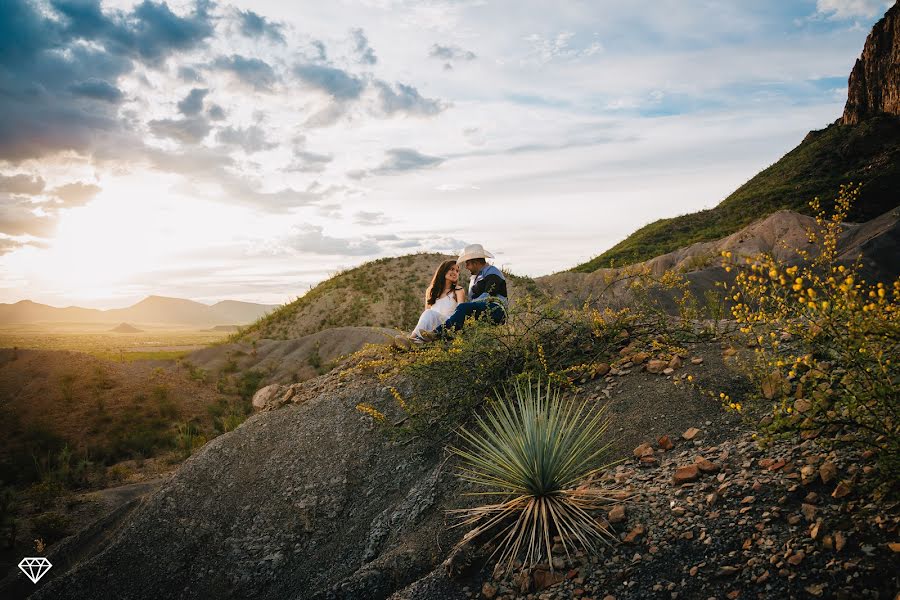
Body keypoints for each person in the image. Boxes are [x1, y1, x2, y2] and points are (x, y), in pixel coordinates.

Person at [420, 243, 507, 340]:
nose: (466, 267)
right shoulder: (475, 279)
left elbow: (489, 294)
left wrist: (467, 308)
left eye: (468, 263)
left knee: (463, 308)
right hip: (483, 311)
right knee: (464, 314)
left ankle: (438, 333)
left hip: (495, 309)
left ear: (475, 262)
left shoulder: (492, 271)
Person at [409, 259, 466, 341]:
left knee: (429, 313)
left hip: (449, 325)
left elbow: (460, 313)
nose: (455, 273)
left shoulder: (458, 290)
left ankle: (411, 338)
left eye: (457, 271)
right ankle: (418, 339)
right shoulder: (431, 290)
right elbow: (426, 316)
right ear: (444, 270)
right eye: (452, 269)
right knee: (428, 313)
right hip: (433, 327)